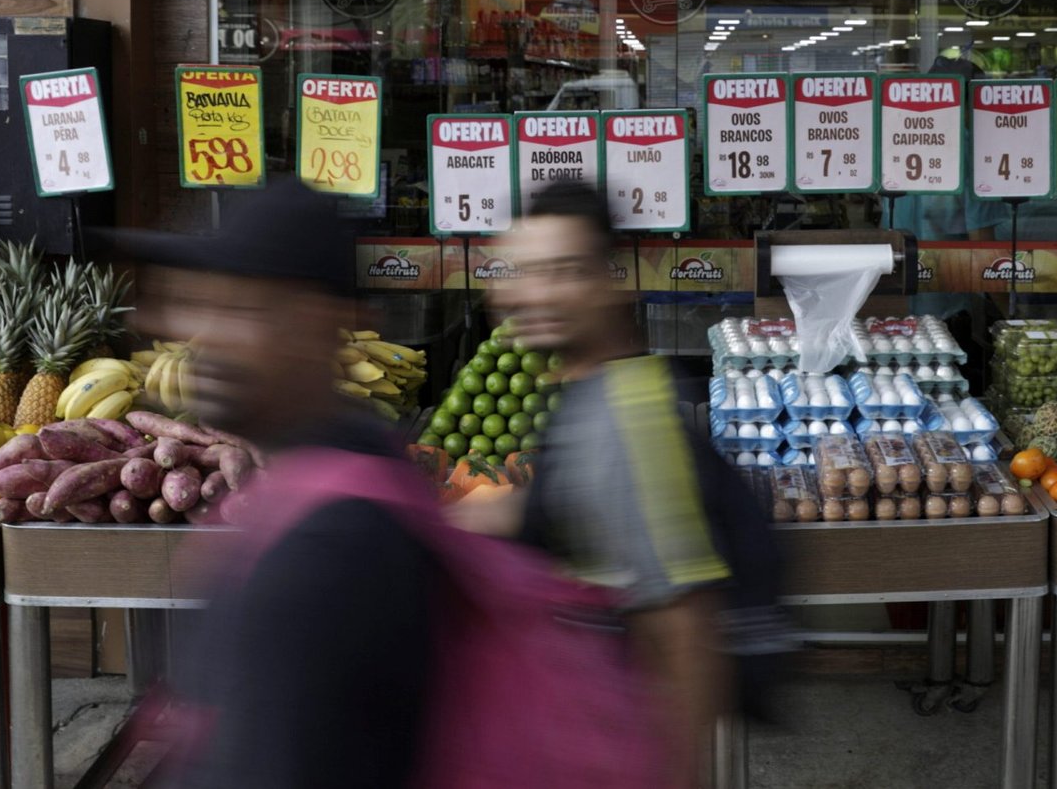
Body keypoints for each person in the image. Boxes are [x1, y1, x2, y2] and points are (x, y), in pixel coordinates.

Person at [115, 176, 446, 789]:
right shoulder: (323, 479)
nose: (203, 338)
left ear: (319, 328)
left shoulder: (332, 547)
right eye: (199, 304)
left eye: (241, 310)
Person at [491, 180, 779, 787]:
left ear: (604, 281)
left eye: (562, 271)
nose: (534, 293)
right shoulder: (587, 392)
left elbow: (685, 631)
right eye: (521, 270)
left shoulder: (628, 420)